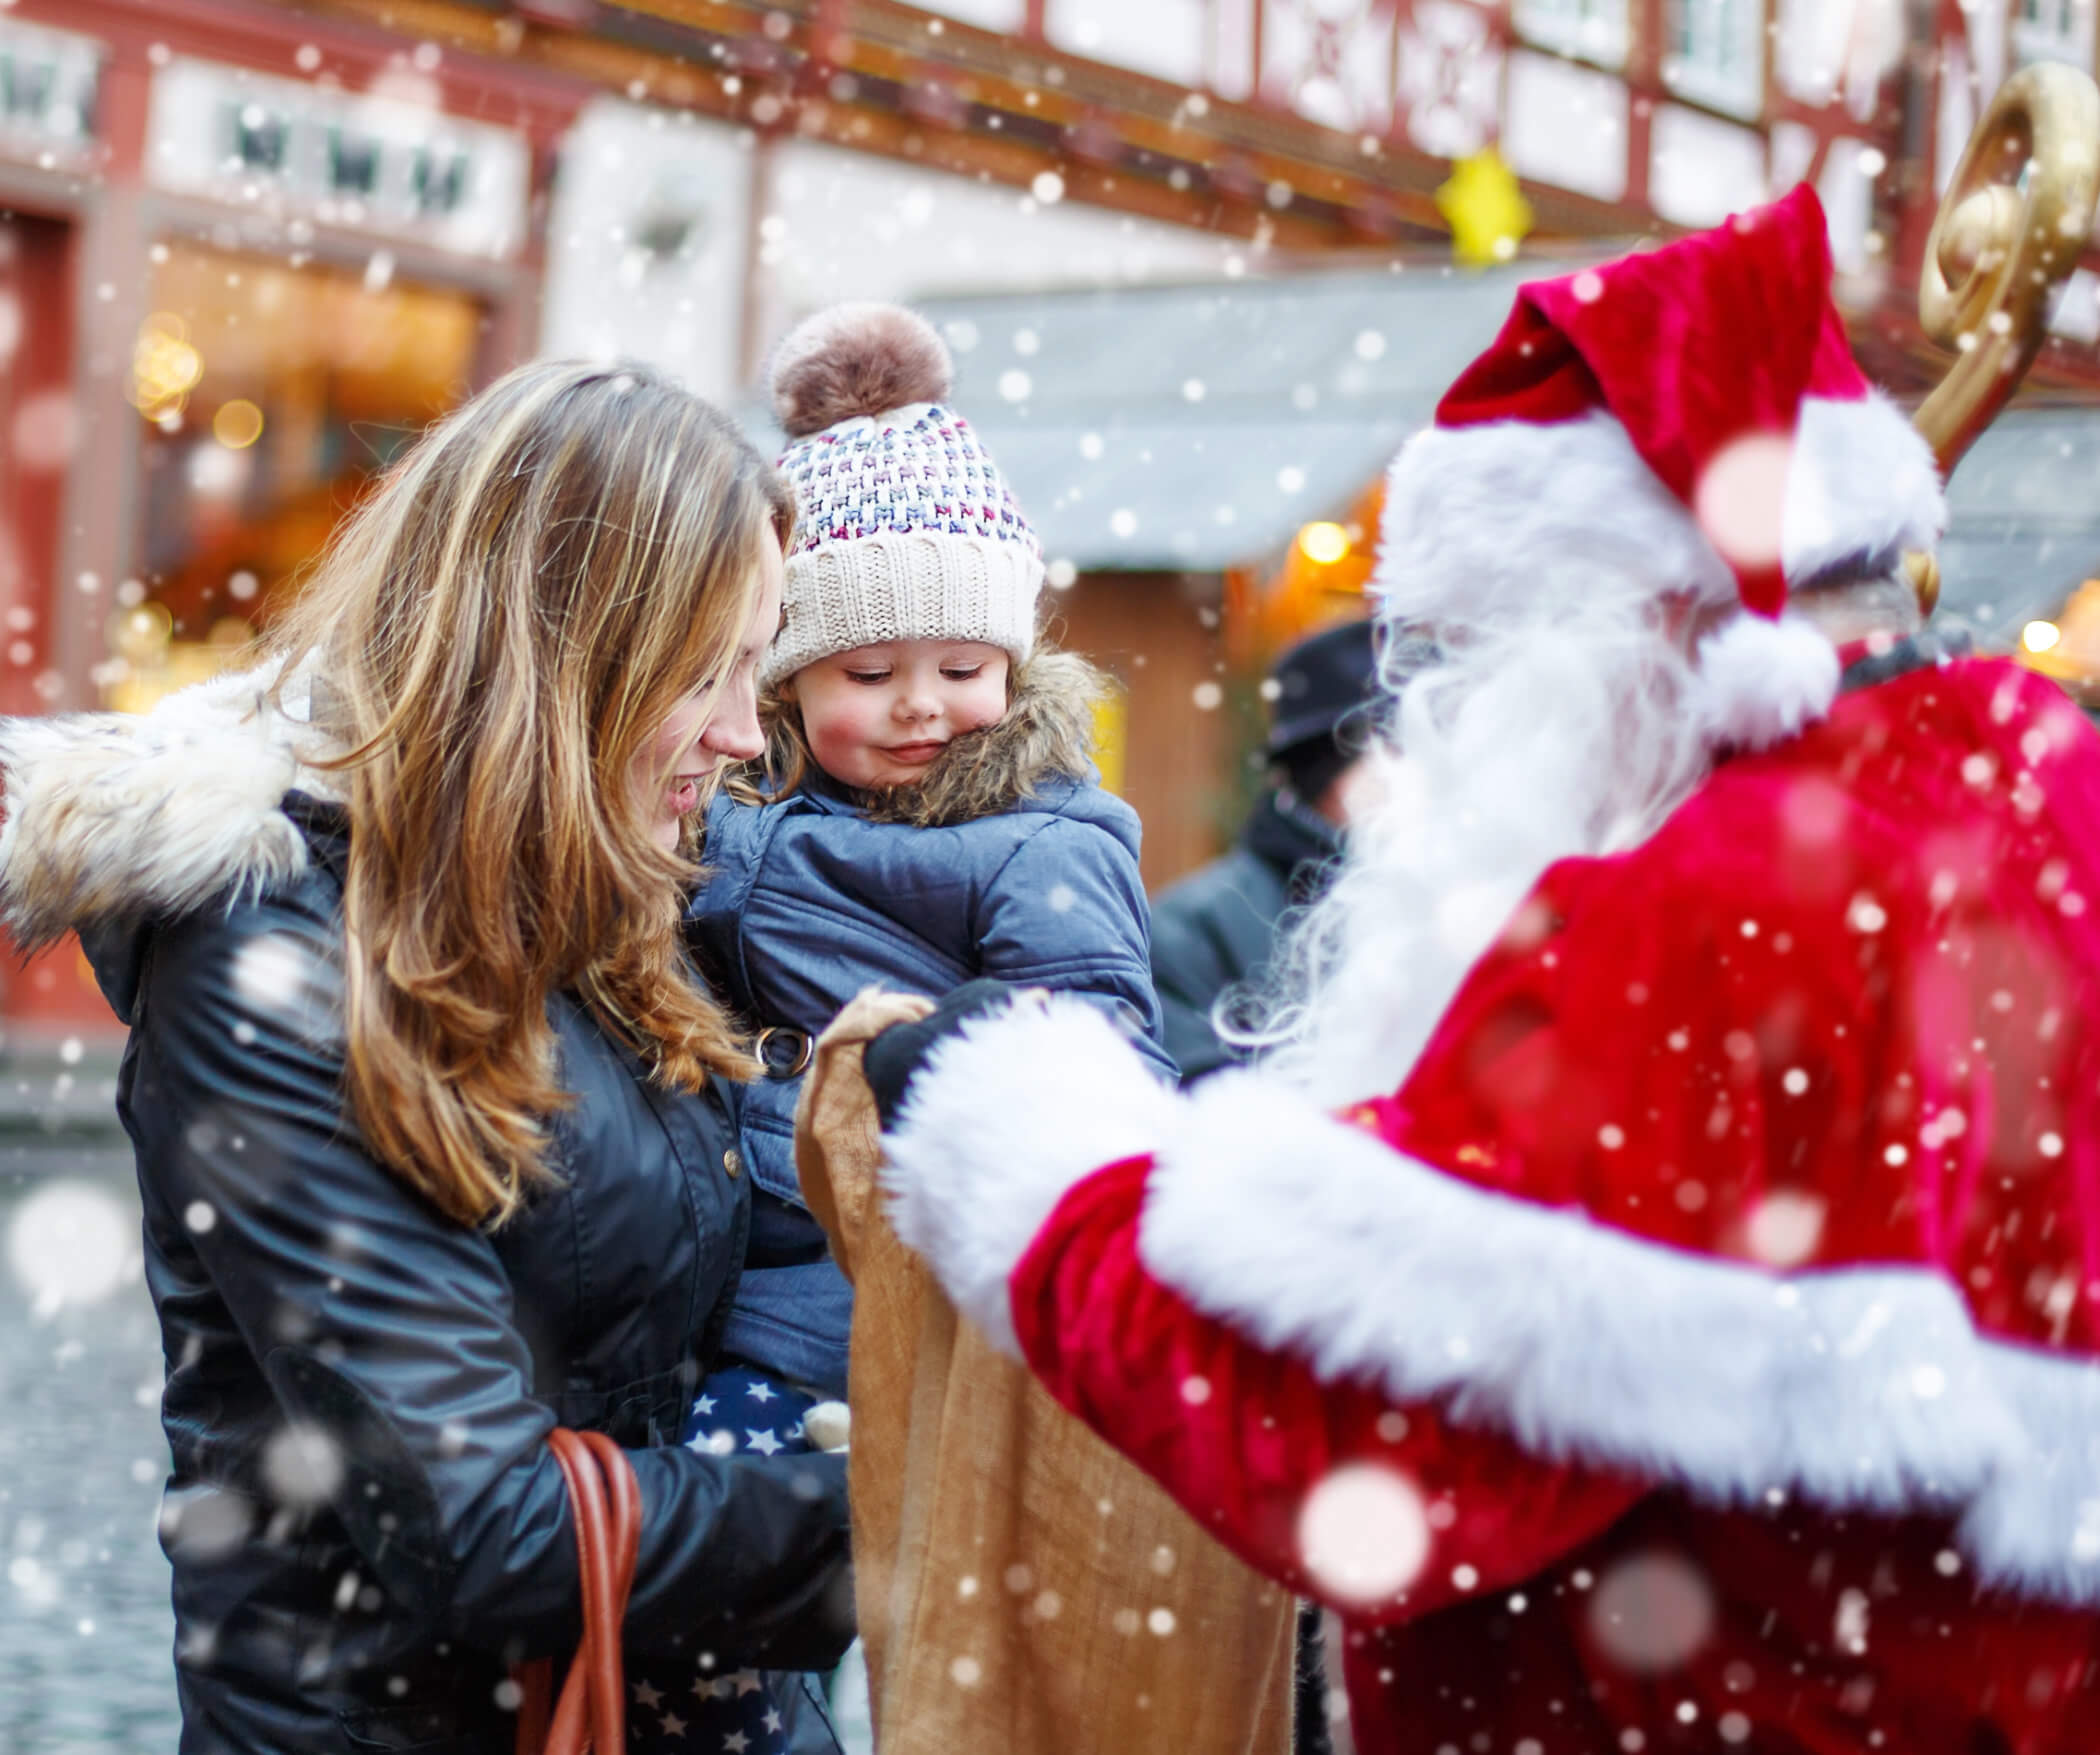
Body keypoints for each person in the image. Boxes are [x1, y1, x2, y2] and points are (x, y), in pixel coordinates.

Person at [857, 186, 2100, 1750]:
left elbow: (1342, 1427)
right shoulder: (2040, 797)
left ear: (1634, 613)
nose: (1448, 732)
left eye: (1482, 660)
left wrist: (1016, 1127)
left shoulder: (1719, 897)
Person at [0, 361, 854, 1754]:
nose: (744, 730)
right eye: (707, 670)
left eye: (754, 666)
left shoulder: (605, 891)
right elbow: (484, 1524)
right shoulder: (269, 957)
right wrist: (902, 1512)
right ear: (559, 656)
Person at [684, 302, 1173, 1409]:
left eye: (962, 667)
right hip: (713, 1264)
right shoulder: (719, 790)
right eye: (867, 676)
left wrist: (971, 1062)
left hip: (869, 1284)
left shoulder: (1042, 838)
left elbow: (1110, 1063)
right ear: (787, 679)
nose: (920, 708)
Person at [1150, 617, 1384, 1084]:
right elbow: (1197, 1109)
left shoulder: (1465, 910)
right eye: (1391, 748)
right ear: (1324, 768)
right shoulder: (1189, 930)